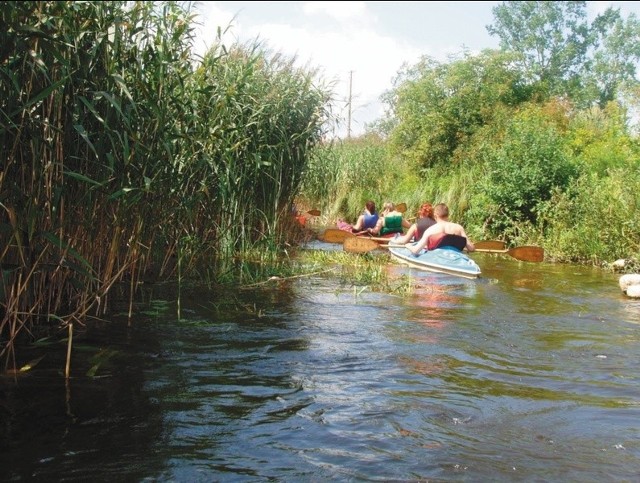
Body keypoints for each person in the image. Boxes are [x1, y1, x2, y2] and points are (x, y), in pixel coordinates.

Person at [406, 203, 475, 255]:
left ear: (435, 215)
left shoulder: (431, 230)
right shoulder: (459, 228)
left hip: (438, 257)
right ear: (448, 215)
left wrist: (408, 246)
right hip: (456, 256)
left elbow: (415, 251)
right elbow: (471, 248)